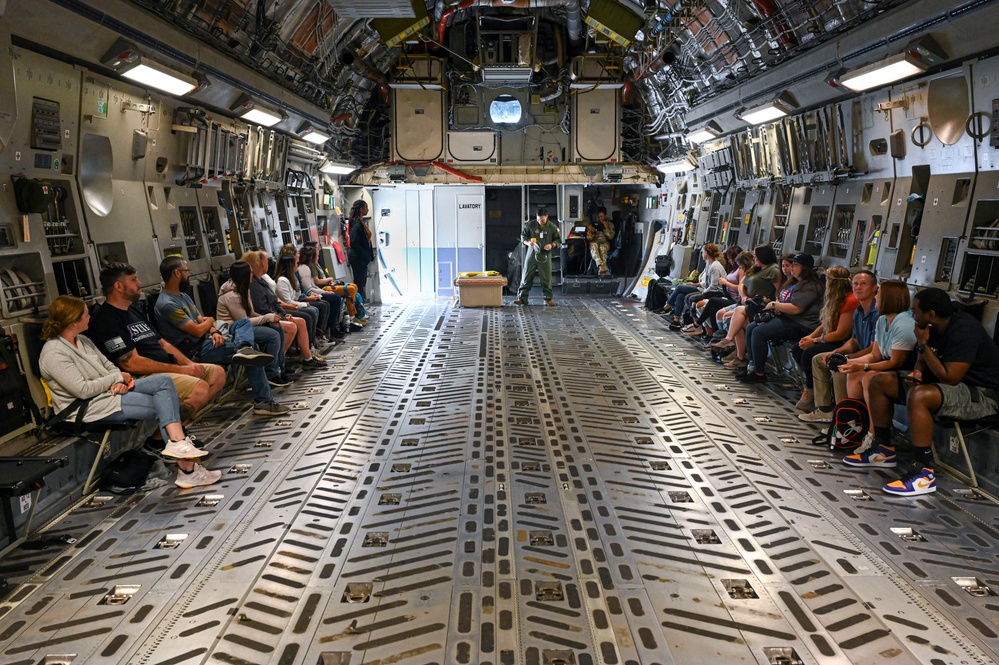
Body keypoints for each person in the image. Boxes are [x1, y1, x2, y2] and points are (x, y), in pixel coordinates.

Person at [40, 295, 221, 488]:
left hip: (108, 392)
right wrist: (116, 379)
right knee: (166, 405)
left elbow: (109, 366)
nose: (89, 317)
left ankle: (178, 445)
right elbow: (83, 390)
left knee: (163, 382)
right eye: (86, 314)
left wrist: (117, 379)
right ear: (72, 319)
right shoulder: (54, 353)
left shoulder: (83, 341)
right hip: (88, 406)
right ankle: (187, 467)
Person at [843, 288, 999, 496]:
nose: (911, 314)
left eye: (914, 311)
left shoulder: (965, 331)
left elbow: (950, 378)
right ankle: (883, 450)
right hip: (949, 384)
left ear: (931, 313)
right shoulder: (928, 326)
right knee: (879, 381)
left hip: (982, 394)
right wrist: (917, 371)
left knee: (920, 396)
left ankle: (923, 472)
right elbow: (922, 358)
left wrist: (924, 344)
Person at [87, 262, 225, 422]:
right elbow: (131, 364)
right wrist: (182, 371)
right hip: (142, 377)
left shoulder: (132, 310)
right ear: (118, 286)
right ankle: (163, 438)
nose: (139, 284)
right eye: (133, 280)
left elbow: (162, 343)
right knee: (199, 389)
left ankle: (177, 424)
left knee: (217, 374)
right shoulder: (107, 320)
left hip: (168, 367)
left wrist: (189, 365)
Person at [153, 257, 290, 416]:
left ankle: (244, 348)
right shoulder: (167, 303)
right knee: (255, 350)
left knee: (243, 323)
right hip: (194, 350)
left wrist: (214, 331)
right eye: (186, 271)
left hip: (209, 339)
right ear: (177, 273)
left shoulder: (184, 296)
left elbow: (201, 321)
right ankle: (263, 402)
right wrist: (210, 322)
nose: (189, 274)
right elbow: (197, 329)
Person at [799, 270, 879, 423]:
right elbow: (854, 340)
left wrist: (846, 358)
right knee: (818, 359)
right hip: (858, 352)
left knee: (839, 366)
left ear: (875, 288)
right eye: (855, 284)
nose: (858, 288)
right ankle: (824, 410)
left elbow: (872, 349)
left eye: (863, 284)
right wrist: (837, 351)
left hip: (871, 358)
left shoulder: (877, 313)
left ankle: (844, 418)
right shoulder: (859, 311)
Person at [838, 279, 916, 420]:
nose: (875, 297)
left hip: (905, 372)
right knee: (854, 374)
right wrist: (848, 362)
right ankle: (857, 423)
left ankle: (874, 432)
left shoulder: (904, 323)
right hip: (887, 367)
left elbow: (895, 362)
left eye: (878, 294)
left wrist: (863, 366)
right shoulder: (882, 320)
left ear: (888, 298)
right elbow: (875, 354)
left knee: (870, 377)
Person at [740, 252, 823, 383]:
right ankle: (753, 366)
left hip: (802, 324)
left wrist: (774, 304)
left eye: (796, 265)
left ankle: (759, 373)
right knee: (751, 327)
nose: (792, 268)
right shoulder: (795, 283)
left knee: (759, 332)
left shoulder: (810, 286)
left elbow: (797, 308)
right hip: (789, 319)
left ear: (805, 267)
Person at [792, 265, 858, 411]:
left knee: (810, 354)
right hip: (831, 338)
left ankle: (813, 391)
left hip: (842, 342)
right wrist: (810, 337)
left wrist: (816, 341)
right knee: (798, 349)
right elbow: (825, 323)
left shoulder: (850, 301)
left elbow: (841, 333)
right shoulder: (835, 299)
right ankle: (812, 386)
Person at [273, 253, 327, 358]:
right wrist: (303, 303)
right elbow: (288, 301)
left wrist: (307, 297)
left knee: (314, 309)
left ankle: (313, 341)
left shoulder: (292, 278)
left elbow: (297, 294)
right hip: (286, 307)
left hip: (294, 304)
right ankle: (307, 347)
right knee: (308, 314)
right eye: (296, 264)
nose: (297, 265)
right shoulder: (282, 281)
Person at [514, 206, 563, 307]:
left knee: (546, 277)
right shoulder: (531, 225)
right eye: (539, 220)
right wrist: (528, 243)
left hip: (545, 254)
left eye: (543, 220)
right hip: (532, 253)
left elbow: (559, 241)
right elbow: (523, 236)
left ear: (547, 217)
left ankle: (547, 299)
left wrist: (552, 245)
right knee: (527, 274)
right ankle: (522, 298)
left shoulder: (552, 227)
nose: (540, 222)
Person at [346, 199, 374, 301]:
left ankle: (360, 306)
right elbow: (354, 242)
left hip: (361, 258)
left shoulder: (360, 222)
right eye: (366, 207)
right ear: (361, 209)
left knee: (362, 283)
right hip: (358, 258)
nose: (367, 209)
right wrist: (364, 255)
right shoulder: (357, 224)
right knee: (359, 283)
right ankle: (357, 307)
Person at [586, 207, 616, 276]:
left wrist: (606, 228)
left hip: (604, 242)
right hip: (595, 241)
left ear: (605, 216)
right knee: (594, 245)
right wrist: (592, 232)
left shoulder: (610, 224)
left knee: (602, 248)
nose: (600, 218)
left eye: (602, 216)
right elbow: (589, 238)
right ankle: (601, 267)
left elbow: (611, 237)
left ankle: (601, 268)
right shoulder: (594, 224)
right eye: (599, 217)